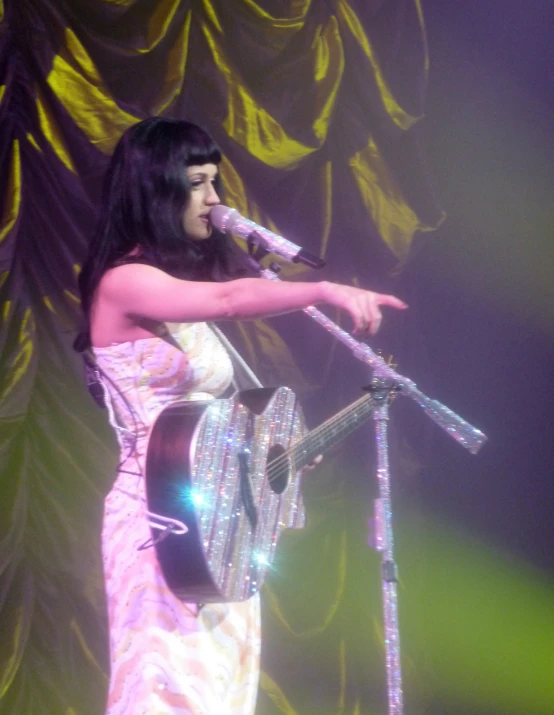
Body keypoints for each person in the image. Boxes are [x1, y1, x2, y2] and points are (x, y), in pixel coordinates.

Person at [76, 116, 407, 714]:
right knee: (166, 687)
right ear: (158, 189)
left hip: (222, 521)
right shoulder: (124, 283)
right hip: (159, 520)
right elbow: (230, 299)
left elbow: (211, 420)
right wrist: (324, 290)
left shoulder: (172, 285)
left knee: (224, 691)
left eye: (215, 182)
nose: (215, 200)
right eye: (199, 184)